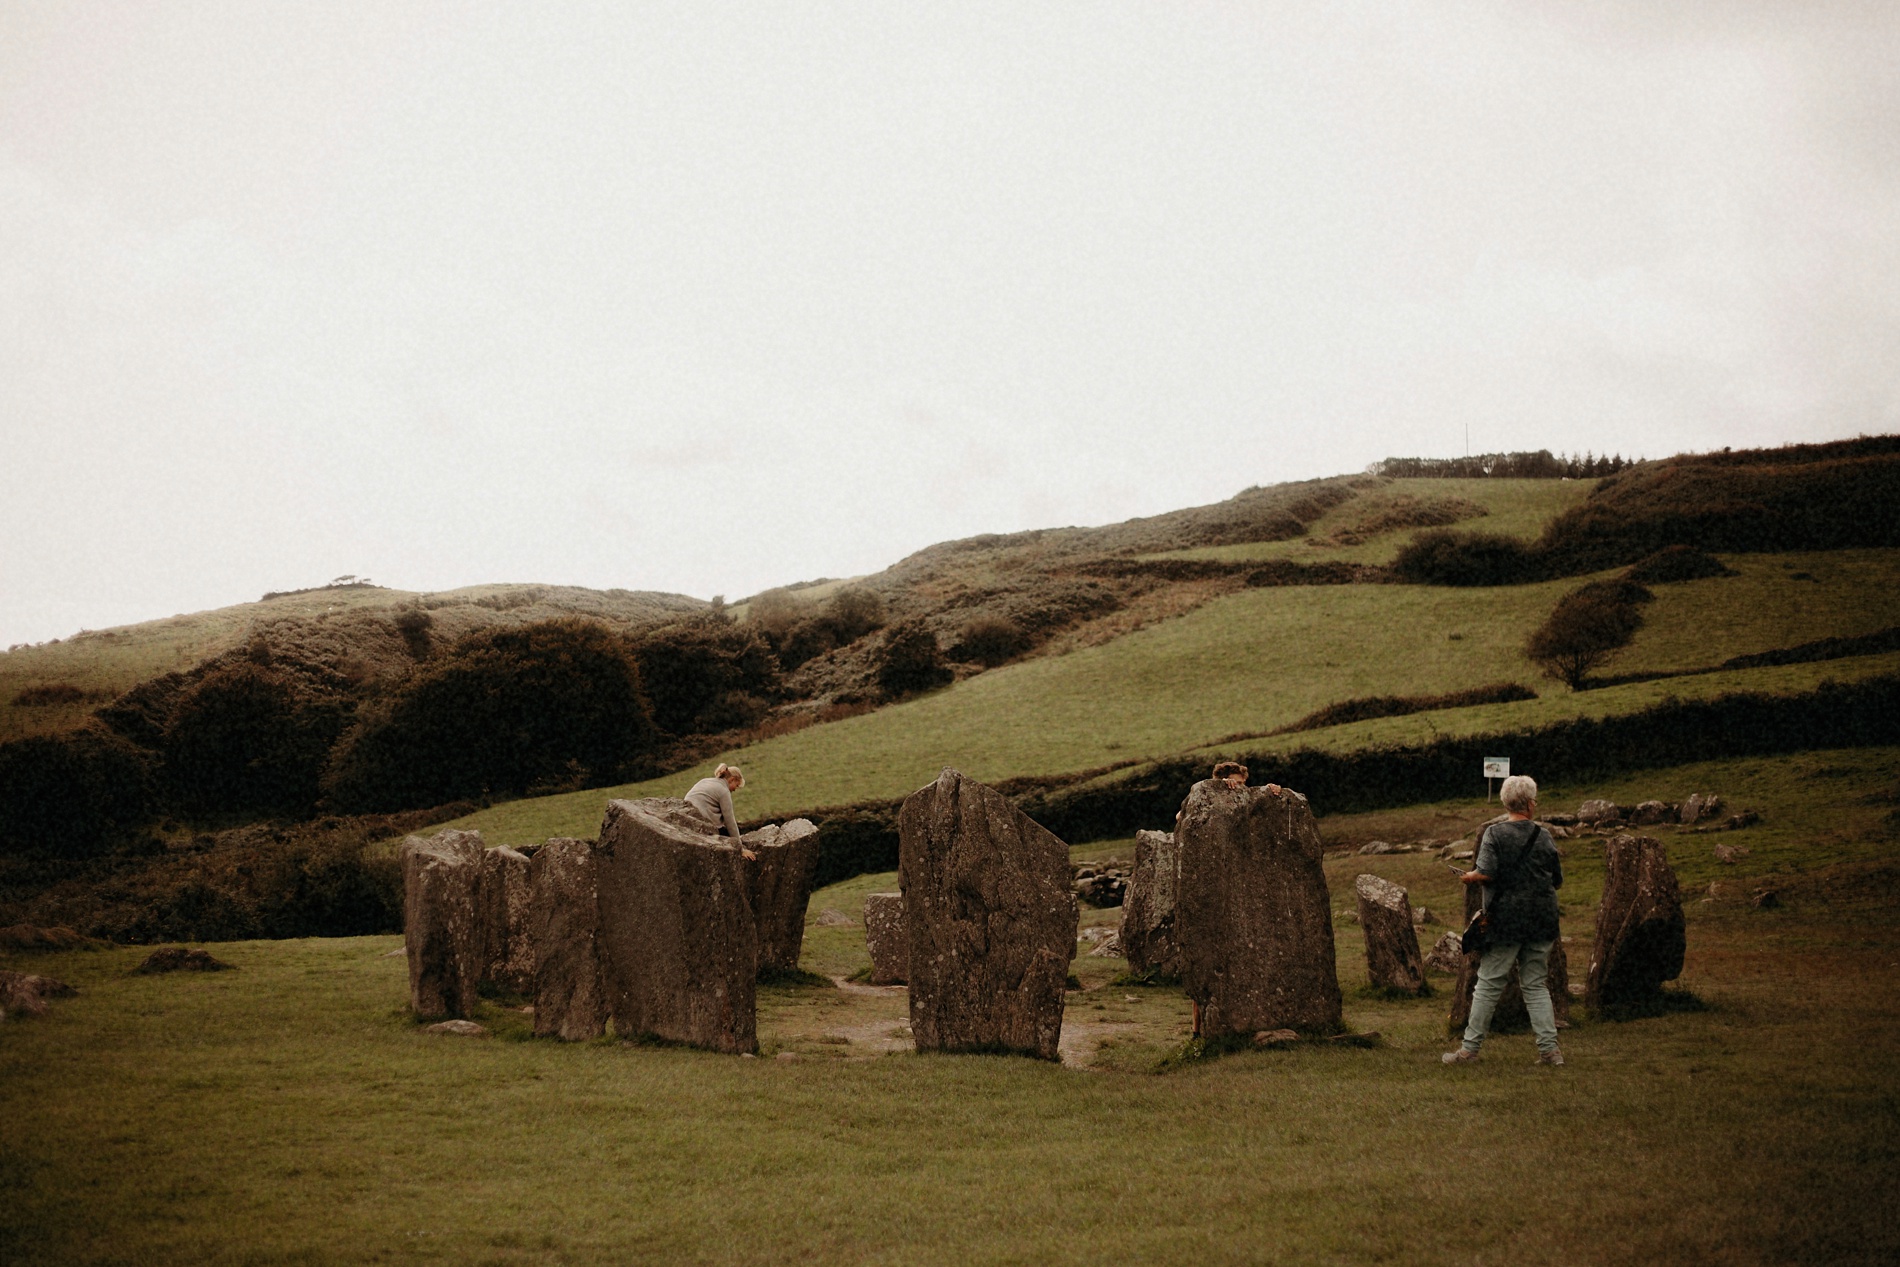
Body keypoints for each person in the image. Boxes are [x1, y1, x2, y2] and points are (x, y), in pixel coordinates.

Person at [1443, 773, 1565, 1067]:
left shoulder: (1494, 834)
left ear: (1505, 802)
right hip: (1542, 919)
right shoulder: (1544, 836)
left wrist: (1471, 877)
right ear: (1531, 804)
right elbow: (1557, 880)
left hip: (1506, 920)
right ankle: (1550, 1051)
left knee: (1488, 984)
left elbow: (1486, 872)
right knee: (1536, 985)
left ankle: (1469, 1051)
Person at [685, 764, 755, 861]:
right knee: (728, 835)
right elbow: (730, 821)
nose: (735, 789)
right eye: (737, 785)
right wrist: (741, 849)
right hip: (703, 822)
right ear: (732, 779)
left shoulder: (704, 780)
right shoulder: (723, 791)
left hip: (686, 814)